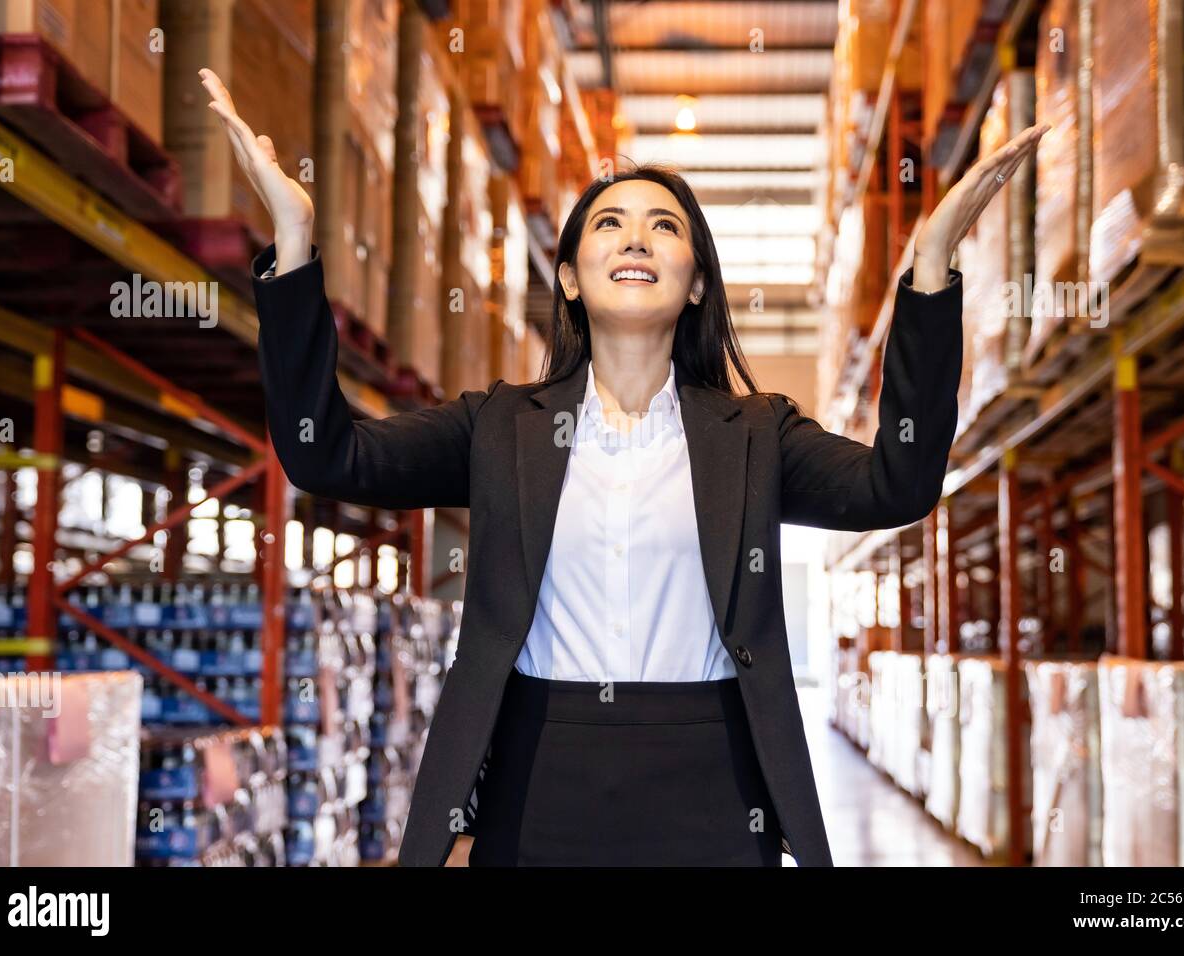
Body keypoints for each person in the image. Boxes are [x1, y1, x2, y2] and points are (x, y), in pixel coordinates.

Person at [201, 66, 1047, 866]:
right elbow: (325, 451)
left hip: (715, 795)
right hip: (536, 791)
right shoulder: (498, 428)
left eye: (664, 226)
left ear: (695, 286)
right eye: (609, 223)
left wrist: (930, 271)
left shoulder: (755, 435)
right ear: (567, 278)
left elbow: (898, 483)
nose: (635, 238)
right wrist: (297, 241)